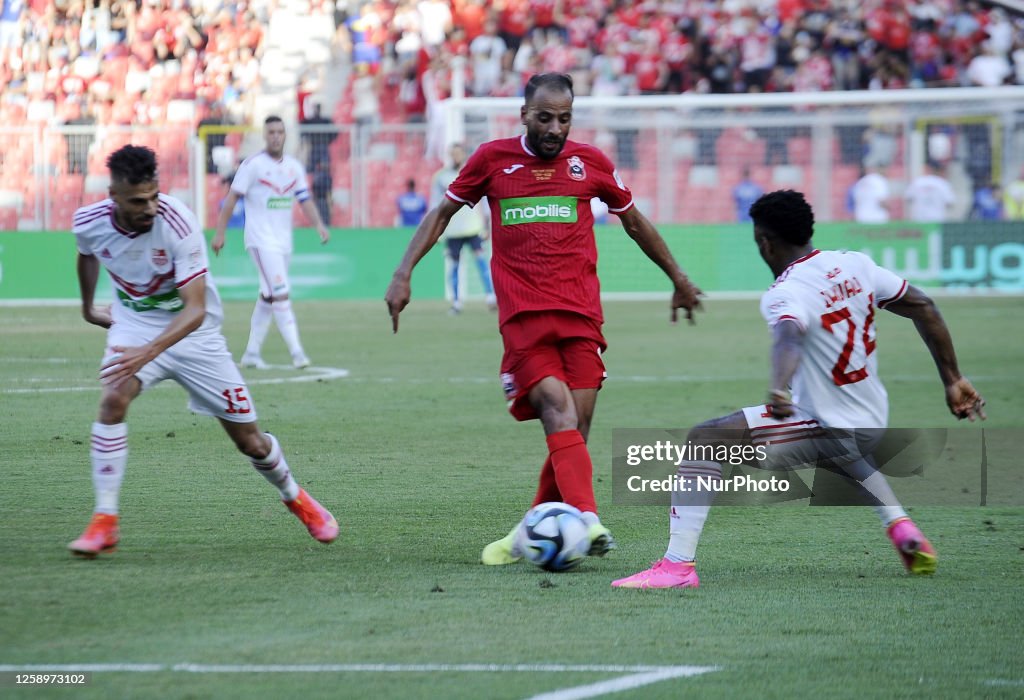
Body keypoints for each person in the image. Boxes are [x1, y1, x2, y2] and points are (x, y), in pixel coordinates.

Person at [384, 73, 704, 566]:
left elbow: (635, 223)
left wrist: (679, 278)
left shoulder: (590, 163)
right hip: (523, 315)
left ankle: (527, 531)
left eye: (565, 117)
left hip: (580, 311)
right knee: (557, 408)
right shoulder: (492, 160)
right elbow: (442, 214)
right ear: (524, 116)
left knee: (577, 422)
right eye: (545, 117)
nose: (555, 127)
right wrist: (403, 272)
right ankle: (587, 517)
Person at [611, 189, 986, 590]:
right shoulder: (854, 264)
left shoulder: (785, 291)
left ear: (764, 242)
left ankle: (677, 568)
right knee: (840, 446)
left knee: (706, 439)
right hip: (872, 419)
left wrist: (778, 388)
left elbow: (788, 337)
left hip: (833, 426)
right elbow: (924, 305)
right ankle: (901, 527)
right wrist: (953, 379)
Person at [68, 145, 338, 558]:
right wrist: (88, 308)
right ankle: (105, 521)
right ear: (114, 195)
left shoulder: (176, 223)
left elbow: (194, 309)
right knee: (112, 400)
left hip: (195, 335)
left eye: (154, 196)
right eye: (138, 201)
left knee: (250, 442)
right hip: (137, 323)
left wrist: (147, 354)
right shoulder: (88, 221)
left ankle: (295, 496)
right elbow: (86, 254)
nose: (150, 207)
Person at [211, 116, 331, 370]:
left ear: (285, 135)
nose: (276, 136)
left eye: (280, 131)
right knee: (281, 292)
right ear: (265, 136)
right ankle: (297, 353)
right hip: (260, 239)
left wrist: (319, 225)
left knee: (268, 295)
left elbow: (305, 199)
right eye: (271, 132)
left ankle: (252, 353)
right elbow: (232, 198)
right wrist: (220, 233)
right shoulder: (252, 165)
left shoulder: (294, 167)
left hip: (283, 241)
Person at [430, 143, 496, 314]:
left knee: (481, 262)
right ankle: (456, 302)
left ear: (464, 154)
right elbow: (435, 204)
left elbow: (484, 201)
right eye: (453, 154)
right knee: (454, 266)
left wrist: (487, 225)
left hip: (473, 227)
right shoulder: (442, 177)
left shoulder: (474, 172)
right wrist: (436, 229)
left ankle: (490, 297)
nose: (455, 157)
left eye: (458, 153)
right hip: (452, 229)